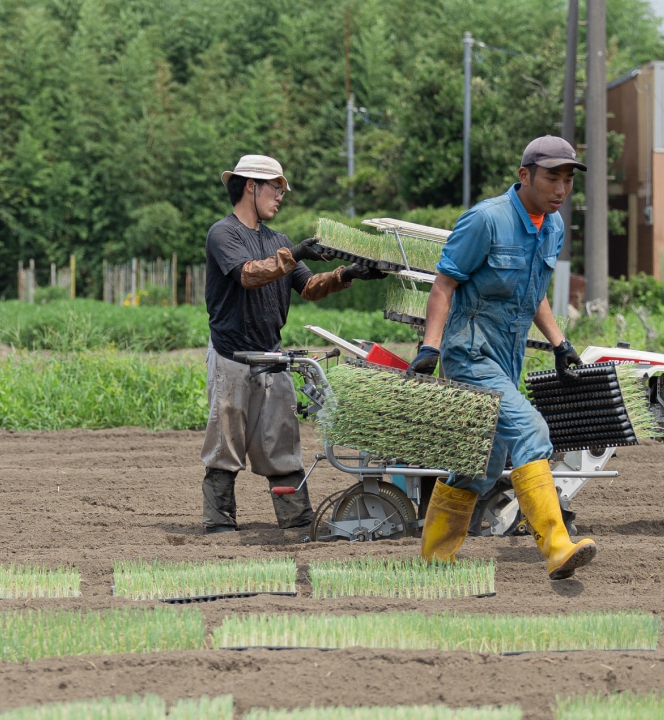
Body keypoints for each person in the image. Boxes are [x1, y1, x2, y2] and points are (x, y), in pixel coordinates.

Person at [407, 136, 597, 580]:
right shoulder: (486, 221)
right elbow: (444, 285)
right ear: (524, 175)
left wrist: (560, 343)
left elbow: (533, 293)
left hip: (507, 360)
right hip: (470, 355)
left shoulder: (552, 226)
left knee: (482, 463)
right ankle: (556, 546)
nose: (561, 189)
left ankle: (434, 560)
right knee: (531, 429)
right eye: (552, 178)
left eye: (568, 180)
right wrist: (430, 348)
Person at [202, 154, 382, 535]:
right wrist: (295, 253)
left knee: (283, 445)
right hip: (231, 359)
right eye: (276, 188)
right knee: (225, 446)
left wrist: (346, 273)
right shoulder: (223, 235)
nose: (281, 196)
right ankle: (219, 524)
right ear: (250, 186)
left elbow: (309, 287)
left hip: (272, 358)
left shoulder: (276, 240)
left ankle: (297, 521)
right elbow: (250, 275)